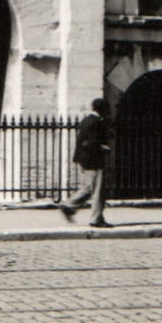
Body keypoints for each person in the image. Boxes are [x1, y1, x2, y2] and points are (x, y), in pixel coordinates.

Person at [58, 97, 112, 228]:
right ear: (103, 109)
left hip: (85, 159)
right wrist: (103, 147)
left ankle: (69, 205)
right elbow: (90, 143)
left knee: (88, 187)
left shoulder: (86, 120)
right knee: (98, 191)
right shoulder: (96, 122)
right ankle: (96, 219)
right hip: (94, 160)